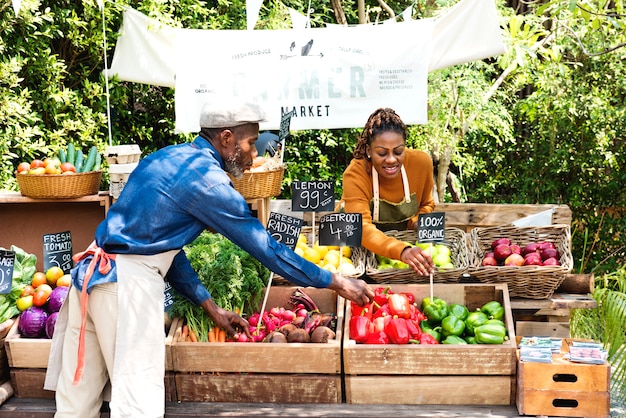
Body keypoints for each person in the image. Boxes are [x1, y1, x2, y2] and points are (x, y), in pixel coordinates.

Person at [44, 97, 374, 418]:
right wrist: (333, 281)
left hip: (89, 281)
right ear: (227, 138)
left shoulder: (164, 158)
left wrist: (210, 307)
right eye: (251, 143)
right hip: (125, 289)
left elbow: (165, 250)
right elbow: (265, 248)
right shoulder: (210, 183)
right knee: (137, 402)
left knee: (76, 402)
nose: (254, 154)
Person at [340, 107, 436, 276]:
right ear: (369, 151)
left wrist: (416, 221)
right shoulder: (356, 173)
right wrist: (402, 250)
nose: (391, 159)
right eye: (382, 153)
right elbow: (360, 227)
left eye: (398, 151)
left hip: (402, 253)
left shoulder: (422, 163)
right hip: (357, 254)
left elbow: (427, 204)